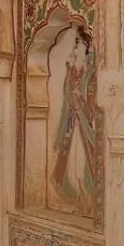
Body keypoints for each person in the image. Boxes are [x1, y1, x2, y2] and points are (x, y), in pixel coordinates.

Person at [50, 26, 97, 216]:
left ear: (86, 51)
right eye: (75, 45)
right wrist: (69, 74)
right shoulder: (75, 72)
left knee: (82, 170)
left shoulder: (91, 76)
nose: (74, 50)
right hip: (72, 127)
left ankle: (88, 205)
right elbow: (67, 96)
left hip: (84, 130)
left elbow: (92, 110)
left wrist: (80, 101)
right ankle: (79, 203)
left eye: (78, 46)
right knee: (72, 167)